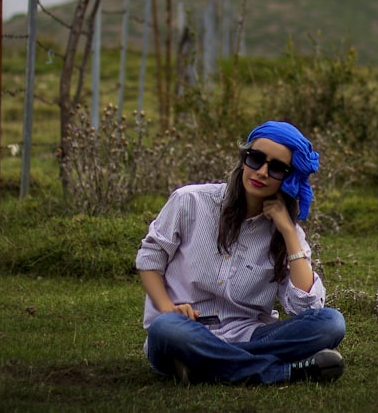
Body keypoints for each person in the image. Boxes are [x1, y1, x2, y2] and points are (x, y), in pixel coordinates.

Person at [135, 120, 346, 385]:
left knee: (331, 323)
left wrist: (289, 233)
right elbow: (150, 259)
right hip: (185, 329)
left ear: (289, 178)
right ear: (244, 159)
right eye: (256, 159)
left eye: (278, 168)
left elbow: (307, 307)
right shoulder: (189, 201)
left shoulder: (286, 234)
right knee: (165, 329)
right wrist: (167, 309)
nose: (262, 172)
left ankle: (202, 364)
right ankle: (282, 371)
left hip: (250, 334)